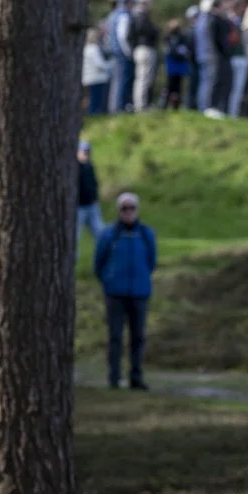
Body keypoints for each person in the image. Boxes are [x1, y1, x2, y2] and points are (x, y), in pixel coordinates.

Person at [93, 191, 156, 391]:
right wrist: (109, 281)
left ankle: (136, 376)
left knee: (138, 336)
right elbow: (99, 262)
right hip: (116, 293)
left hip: (139, 292)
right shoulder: (109, 234)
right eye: (124, 208)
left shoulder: (145, 234)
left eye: (131, 208)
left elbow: (151, 261)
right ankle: (114, 377)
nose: (128, 212)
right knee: (115, 336)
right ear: (119, 211)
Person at [75, 140, 105, 262]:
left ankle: (103, 258)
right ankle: (72, 261)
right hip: (79, 207)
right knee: (75, 236)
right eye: (83, 152)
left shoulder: (90, 166)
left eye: (87, 152)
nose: (86, 154)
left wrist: (95, 199)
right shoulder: (75, 168)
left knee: (100, 233)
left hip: (92, 206)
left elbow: (94, 184)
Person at [129, 0, 158, 111]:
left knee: (144, 78)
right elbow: (142, 31)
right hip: (144, 49)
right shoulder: (140, 16)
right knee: (143, 78)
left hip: (141, 49)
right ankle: (140, 105)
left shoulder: (138, 15)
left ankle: (143, 103)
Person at [162, 20, 191, 110]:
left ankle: (175, 105)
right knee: (170, 85)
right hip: (172, 64)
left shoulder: (182, 38)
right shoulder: (168, 38)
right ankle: (165, 103)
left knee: (177, 85)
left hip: (178, 64)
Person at [82, 28, 110, 116]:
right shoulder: (94, 49)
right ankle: (95, 114)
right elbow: (100, 64)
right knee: (97, 101)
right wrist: (110, 66)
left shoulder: (85, 48)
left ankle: (90, 114)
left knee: (90, 99)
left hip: (87, 79)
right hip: (97, 78)